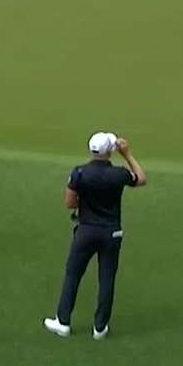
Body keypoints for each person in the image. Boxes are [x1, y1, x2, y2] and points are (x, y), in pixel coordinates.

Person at [44, 133, 148, 340]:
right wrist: (127, 154)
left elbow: (69, 203)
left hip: (86, 231)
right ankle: (100, 328)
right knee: (107, 279)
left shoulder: (80, 172)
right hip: (111, 232)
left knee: (73, 274)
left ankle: (63, 321)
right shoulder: (119, 174)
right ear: (110, 151)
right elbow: (141, 179)